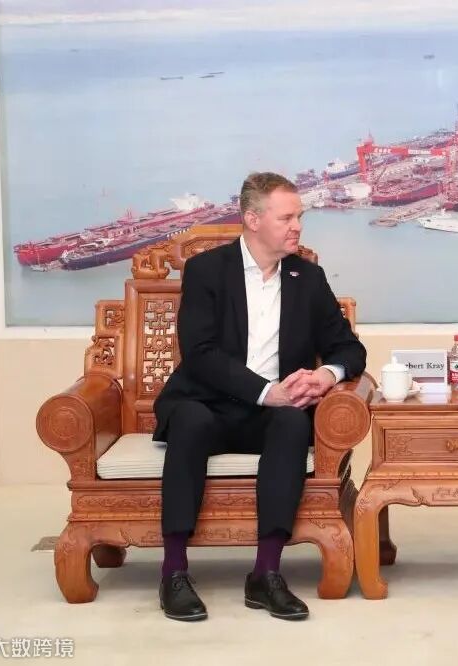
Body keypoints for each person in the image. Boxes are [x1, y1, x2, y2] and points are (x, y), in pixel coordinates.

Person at [153, 172, 366, 622]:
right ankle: (174, 572)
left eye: (299, 217)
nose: (297, 227)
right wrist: (267, 392)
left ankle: (266, 573)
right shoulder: (207, 271)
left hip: (273, 413)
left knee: (292, 422)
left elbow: (350, 349)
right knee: (189, 421)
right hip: (207, 403)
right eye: (286, 218)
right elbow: (200, 353)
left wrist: (326, 375)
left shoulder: (307, 278)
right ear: (252, 219)